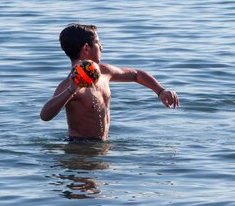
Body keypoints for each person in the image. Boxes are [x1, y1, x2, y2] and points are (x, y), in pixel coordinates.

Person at [40, 23, 179, 141]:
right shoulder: (69, 85)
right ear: (86, 48)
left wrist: (160, 91)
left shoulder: (104, 72)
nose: (101, 47)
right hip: (79, 149)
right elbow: (45, 115)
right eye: (98, 43)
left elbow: (137, 75)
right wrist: (72, 90)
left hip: (103, 145)